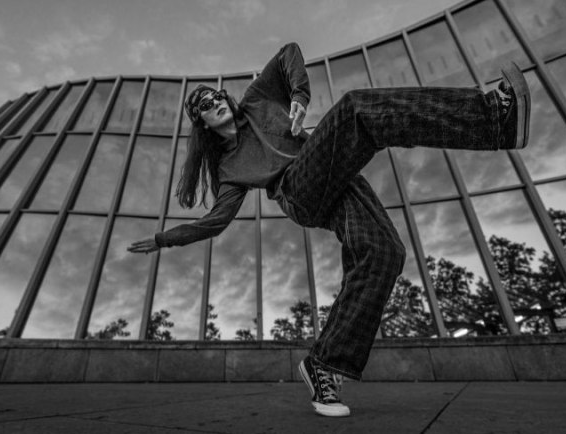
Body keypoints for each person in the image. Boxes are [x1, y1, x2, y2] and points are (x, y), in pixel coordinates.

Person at [128, 42, 530, 417]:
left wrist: (299, 97)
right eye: (203, 104)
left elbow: (289, 53)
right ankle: (492, 119)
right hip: (298, 190)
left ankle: (324, 366)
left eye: (215, 95)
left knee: (384, 252)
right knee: (356, 109)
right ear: (199, 121)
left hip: (335, 176)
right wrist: (164, 239)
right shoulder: (229, 169)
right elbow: (214, 223)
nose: (214, 102)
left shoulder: (257, 100)